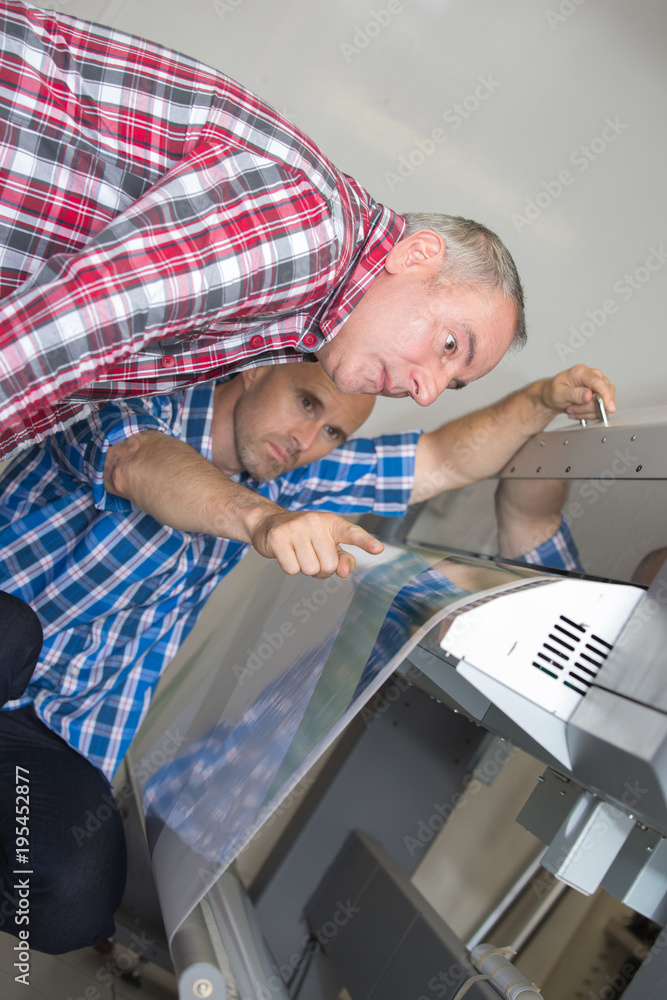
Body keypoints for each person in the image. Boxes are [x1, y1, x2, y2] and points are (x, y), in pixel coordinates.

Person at [0, 357, 609, 953]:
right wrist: (263, 521)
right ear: (259, 367)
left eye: (334, 432)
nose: (305, 439)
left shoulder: (283, 474)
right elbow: (135, 462)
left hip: (49, 728)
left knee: (70, 904)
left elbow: (443, 459)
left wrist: (543, 400)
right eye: (307, 402)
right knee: (13, 634)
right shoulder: (148, 393)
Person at [0, 0, 532, 464]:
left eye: (452, 384)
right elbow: (88, 317)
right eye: (448, 345)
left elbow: (75, 379)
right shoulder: (316, 234)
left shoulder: (303, 315)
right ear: (416, 255)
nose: (428, 392)